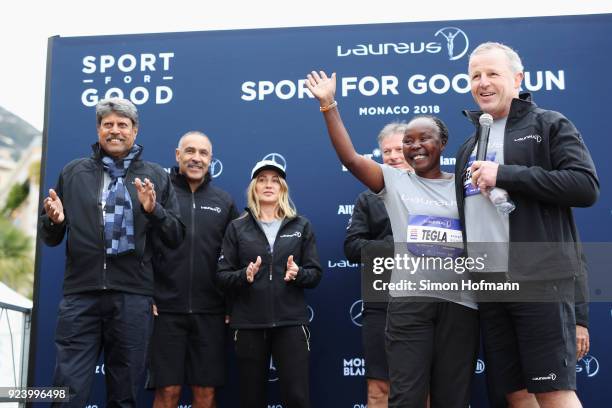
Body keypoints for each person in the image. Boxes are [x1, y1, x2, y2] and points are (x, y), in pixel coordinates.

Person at [306, 71, 479, 408]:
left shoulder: (466, 183)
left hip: (461, 305)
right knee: (407, 397)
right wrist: (329, 105)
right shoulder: (393, 181)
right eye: (408, 141)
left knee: (452, 399)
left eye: (424, 138)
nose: (415, 147)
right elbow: (350, 158)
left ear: (442, 143)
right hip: (409, 305)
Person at [456, 42, 598, 407]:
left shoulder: (548, 123)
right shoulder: (467, 147)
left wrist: (506, 174)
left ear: (517, 78)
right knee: (517, 395)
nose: (482, 82)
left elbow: (584, 186)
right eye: (475, 75)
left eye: (492, 73)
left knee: (553, 392)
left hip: (539, 279)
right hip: (489, 285)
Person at [39, 97, 185, 407]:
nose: (115, 131)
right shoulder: (73, 172)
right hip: (81, 295)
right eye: (108, 125)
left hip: (132, 296)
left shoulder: (156, 176)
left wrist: (154, 210)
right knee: (67, 390)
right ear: (98, 129)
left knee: (125, 393)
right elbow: (51, 238)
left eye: (122, 125)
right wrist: (55, 221)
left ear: (135, 131)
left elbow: (175, 237)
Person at [217, 159, 322, 408]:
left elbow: (315, 274)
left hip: (290, 323)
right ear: (254, 187)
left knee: (297, 397)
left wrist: (298, 274)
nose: (268, 185)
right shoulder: (237, 227)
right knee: (251, 399)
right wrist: (245, 276)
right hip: (249, 324)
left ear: (283, 188)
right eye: (262, 180)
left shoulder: (301, 225)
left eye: (275, 180)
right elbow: (222, 275)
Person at [148, 131, 238, 408]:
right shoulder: (158, 196)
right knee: (168, 392)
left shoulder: (224, 201)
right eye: (190, 151)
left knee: (205, 394)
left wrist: (230, 304)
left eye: (203, 153)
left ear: (211, 159)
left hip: (210, 313)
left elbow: (234, 257)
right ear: (178, 156)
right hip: (165, 311)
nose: (196, 158)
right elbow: (142, 250)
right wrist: (148, 294)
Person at [343, 122, 413, 408]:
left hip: (431, 301)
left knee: (425, 387)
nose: (394, 155)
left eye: (399, 149)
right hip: (381, 304)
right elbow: (351, 248)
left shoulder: (439, 190)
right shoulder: (367, 199)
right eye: (387, 151)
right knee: (379, 388)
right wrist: (398, 248)